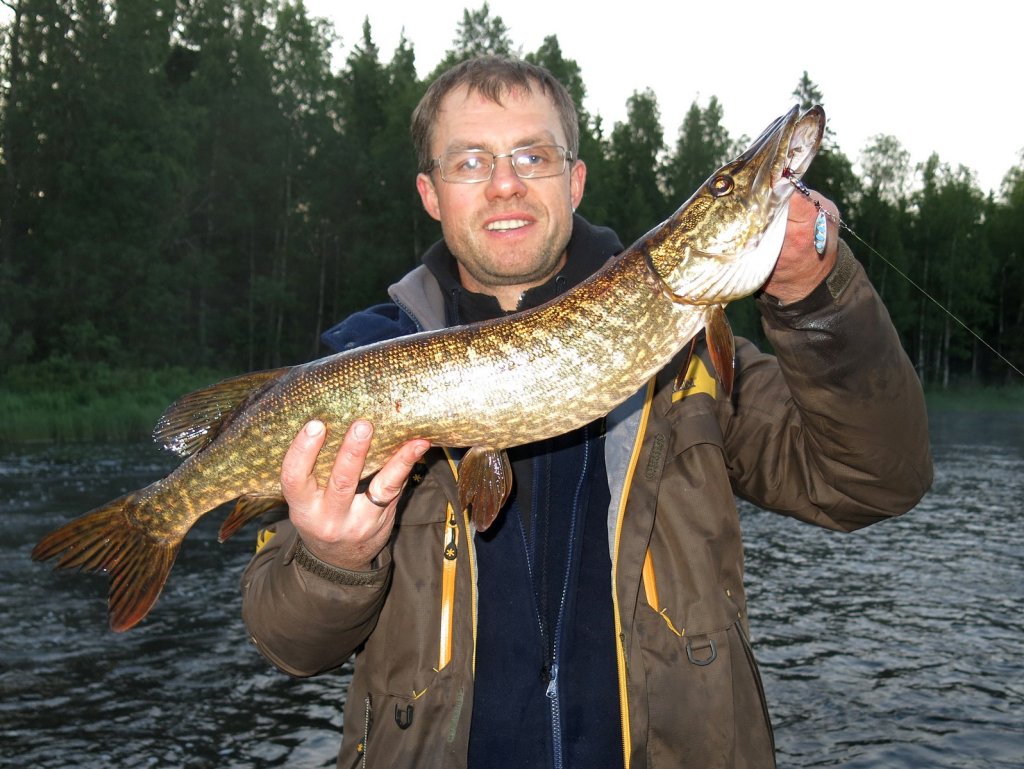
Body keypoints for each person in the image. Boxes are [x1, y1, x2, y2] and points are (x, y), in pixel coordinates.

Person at [240, 56, 932, 769]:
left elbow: (875, 481)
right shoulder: (360, 363)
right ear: (431, 193)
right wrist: (334, 560)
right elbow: (286, 641)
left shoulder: (691, 363)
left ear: (574, 181)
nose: (505, 182)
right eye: (471, 161)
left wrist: (816, 299)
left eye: (532, 156)